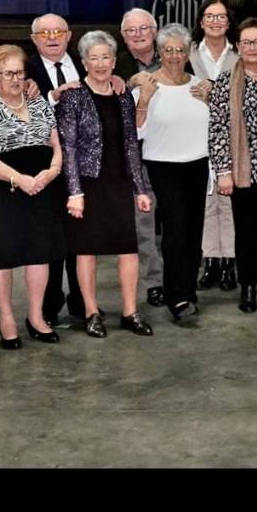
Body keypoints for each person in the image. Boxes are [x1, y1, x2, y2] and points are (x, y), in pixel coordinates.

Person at [0, 45, 65, 349]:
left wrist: (53, 170)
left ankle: (36, 317)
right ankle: (6, 319)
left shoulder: (38, 103)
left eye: (19, 72)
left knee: (39, 253)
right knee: (3, 255)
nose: (15, 79)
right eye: (7, 73)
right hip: (3, 188)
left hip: (42, 187)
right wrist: (18, 179)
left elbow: (56, 143)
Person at [58, 30, 155, 339]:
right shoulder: (73, 96)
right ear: (84, 62)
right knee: (86, 250)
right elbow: (68, 147)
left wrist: (139, 188)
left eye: (106, 57)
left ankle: (130, 311)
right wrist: (75, 191)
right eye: (93, 58)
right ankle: (91, 312)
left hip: (119, 181)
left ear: (114, 61)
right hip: (88, 182)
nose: (100, 64)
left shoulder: (122, 94)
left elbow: (130, 142)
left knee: (128, 247)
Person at [209, 18, 257, 315]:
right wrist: (223, 170)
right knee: (246, 231)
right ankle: (249, 286)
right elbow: (217, 128)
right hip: (242, 170)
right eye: (246, 42)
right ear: (238, 47)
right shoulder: (226, 80)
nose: (252, 47)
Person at [134, 24, 210, 322]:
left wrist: (210, 97)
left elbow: (215, 125)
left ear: (189, 52)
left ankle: (188, 291)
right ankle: (176, 297)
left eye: (180, 50)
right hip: (162, 166)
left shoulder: (201, 84)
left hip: (198, 164)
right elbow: (137, 130)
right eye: (168, 50)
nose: (175, 56)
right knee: (175, 232)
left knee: (193, 233)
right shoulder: (147, 85)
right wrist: (143, 99)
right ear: (159, 52)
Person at [24, 13, 88, 325]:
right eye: (44, 33)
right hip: (43, 167)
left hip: (83, 167)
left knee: (80, 237)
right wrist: (51, 97)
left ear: (69, 35)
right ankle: (47, 307)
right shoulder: (23, 71)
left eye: (58, 31)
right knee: (48, 239)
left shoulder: (86, 61)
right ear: (34, 38)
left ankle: (82, 302)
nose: (52, 37)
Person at [114, 7, 165, 308]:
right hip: (137, 156)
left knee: (175, 221)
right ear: (123, 36)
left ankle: (181, 278)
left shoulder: (175, 57)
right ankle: (154, 282)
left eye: (143, 28)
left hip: (174, 153)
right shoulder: (115, 66)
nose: (138, 35)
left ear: (155, 31)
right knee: (143, 224)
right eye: (131, 31)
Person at [189, 0, 239, 292]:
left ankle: (230, 262)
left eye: (221, 16)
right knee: (206, 202)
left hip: (231, 135)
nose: (216, 21)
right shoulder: (190, 54)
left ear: (228, 22)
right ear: (201, 21)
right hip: (197, 135)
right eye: (210, 16)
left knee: (228, 201)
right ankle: (210, 261)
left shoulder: (239, 55)